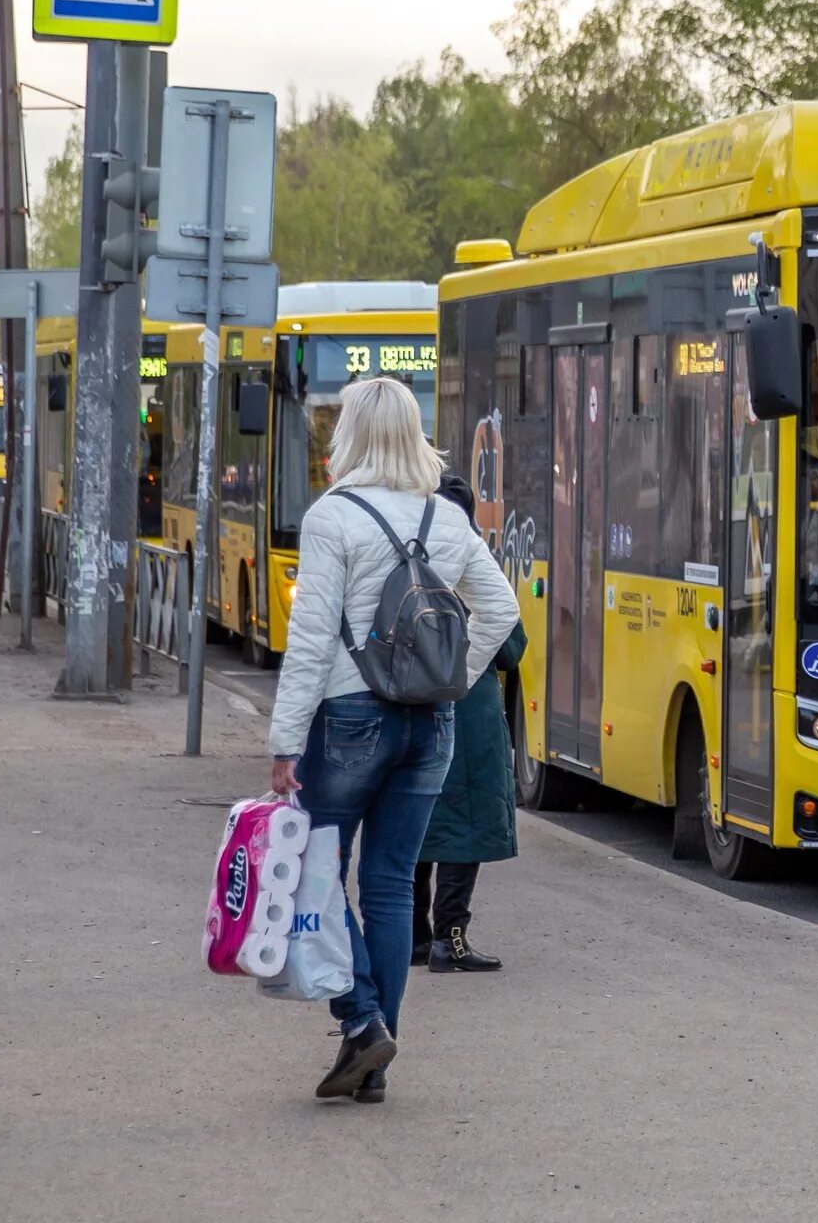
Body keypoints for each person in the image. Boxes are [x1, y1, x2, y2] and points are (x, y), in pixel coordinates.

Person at [267, 377, 516, 1103]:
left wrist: (286, 743)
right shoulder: (446, 517)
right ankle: (372, 1055)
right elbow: (498, 609)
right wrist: (454, 680)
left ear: (349, 432)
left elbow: (311, 640)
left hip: (349, 717)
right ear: (414, 432)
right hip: (429, 725)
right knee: (388, 884)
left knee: (317, 867)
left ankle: (364, 1020)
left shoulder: (330, 517)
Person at [411, 472, 528, 975]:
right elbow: (512, 646)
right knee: (465, 824)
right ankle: (450, 939)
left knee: (415, 824)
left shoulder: (409, 558)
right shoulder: (472, 563)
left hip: (413, 704)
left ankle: (414, 936)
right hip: (471, 714)